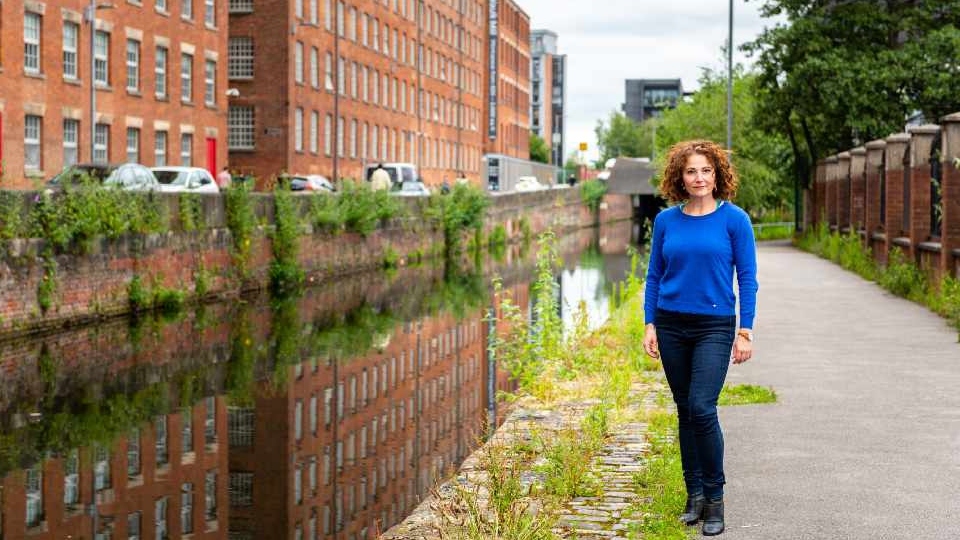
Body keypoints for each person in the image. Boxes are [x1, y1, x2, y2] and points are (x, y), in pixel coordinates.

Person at [642, 140, 758, 536]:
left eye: (706, 170)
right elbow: (654, 275)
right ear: (680, 176)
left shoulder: (734, 220)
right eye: (691, 171)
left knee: (702, 407)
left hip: (715, 325)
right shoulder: (666, 222)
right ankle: (693, 496)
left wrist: (745, 330)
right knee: (684, 410)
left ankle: (715, 499)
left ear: (717, 175)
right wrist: (649, 323)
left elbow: (748, 279)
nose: (699, 178)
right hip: (671, 323)